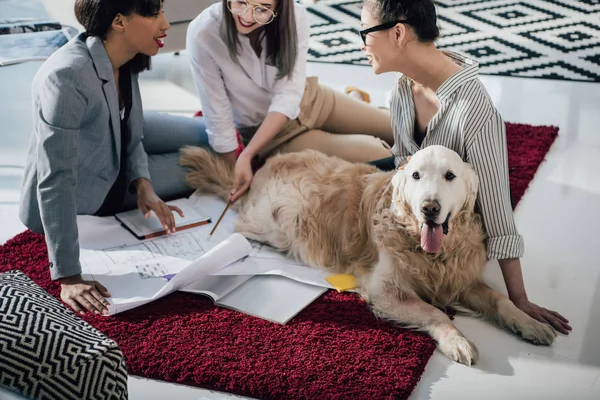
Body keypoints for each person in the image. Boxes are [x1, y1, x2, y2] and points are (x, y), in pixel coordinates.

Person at [358, 0, 571, 334]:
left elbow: (497, 203)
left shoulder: (475, 110)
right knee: (352, 164)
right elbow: (400, 162)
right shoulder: (400, 91)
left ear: (398, 33)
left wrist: (518, 298)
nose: (361, 44)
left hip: (447, 212)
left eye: (365, 33)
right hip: (413, 189)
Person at [19, 0, 210, 316]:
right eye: (153, 14)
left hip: (118, 144)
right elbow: (56, 180)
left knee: (210, 134)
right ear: (119, 22)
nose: (165, 25)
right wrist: (68, 276)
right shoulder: (66, 78)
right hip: (92, 188)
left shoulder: (126, 55)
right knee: (204, 164)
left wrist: (145, 185)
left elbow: (132, 130)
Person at [186, 0, 395, 203]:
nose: (247, 16)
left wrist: (246, 154)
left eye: (262, 8)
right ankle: (355, 98)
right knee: (381, 153)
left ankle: (354, 98)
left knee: (400, 127)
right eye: (240, 3)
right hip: (274, 136)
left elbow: (288, 95)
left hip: (311, 99)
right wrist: (239, 166)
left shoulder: (296, 16)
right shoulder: (203, 33)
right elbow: (218, 117)